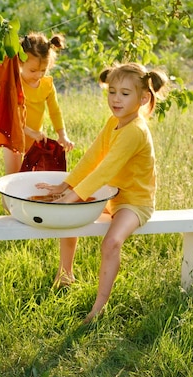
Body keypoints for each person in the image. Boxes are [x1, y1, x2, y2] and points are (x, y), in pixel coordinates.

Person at [36, 62, 169, 324]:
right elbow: (93, 158)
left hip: (134, 202)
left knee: (111, 243)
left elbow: (105, 170)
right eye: (112, 92)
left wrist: (74, 195)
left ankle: (99, 308)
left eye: (125, 93)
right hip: (111, 194)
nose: (116, 99)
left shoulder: (136, 131)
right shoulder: (114, 122)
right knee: (69, 216)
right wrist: (66, 186)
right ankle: (65, 275)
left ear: (143, 98)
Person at [2, 32, 75, 174]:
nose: (38, 75)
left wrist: (62, 135)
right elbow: (13, 116)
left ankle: (27, 197)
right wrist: (30, 132)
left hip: (34, 139)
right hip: (15, 137)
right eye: (33, 70)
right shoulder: (16, 84)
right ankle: (8, 197)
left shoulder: (46, 85)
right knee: (13, 176)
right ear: (20, 62)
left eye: (43, 70)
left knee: (31, 175)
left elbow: (55, 111)